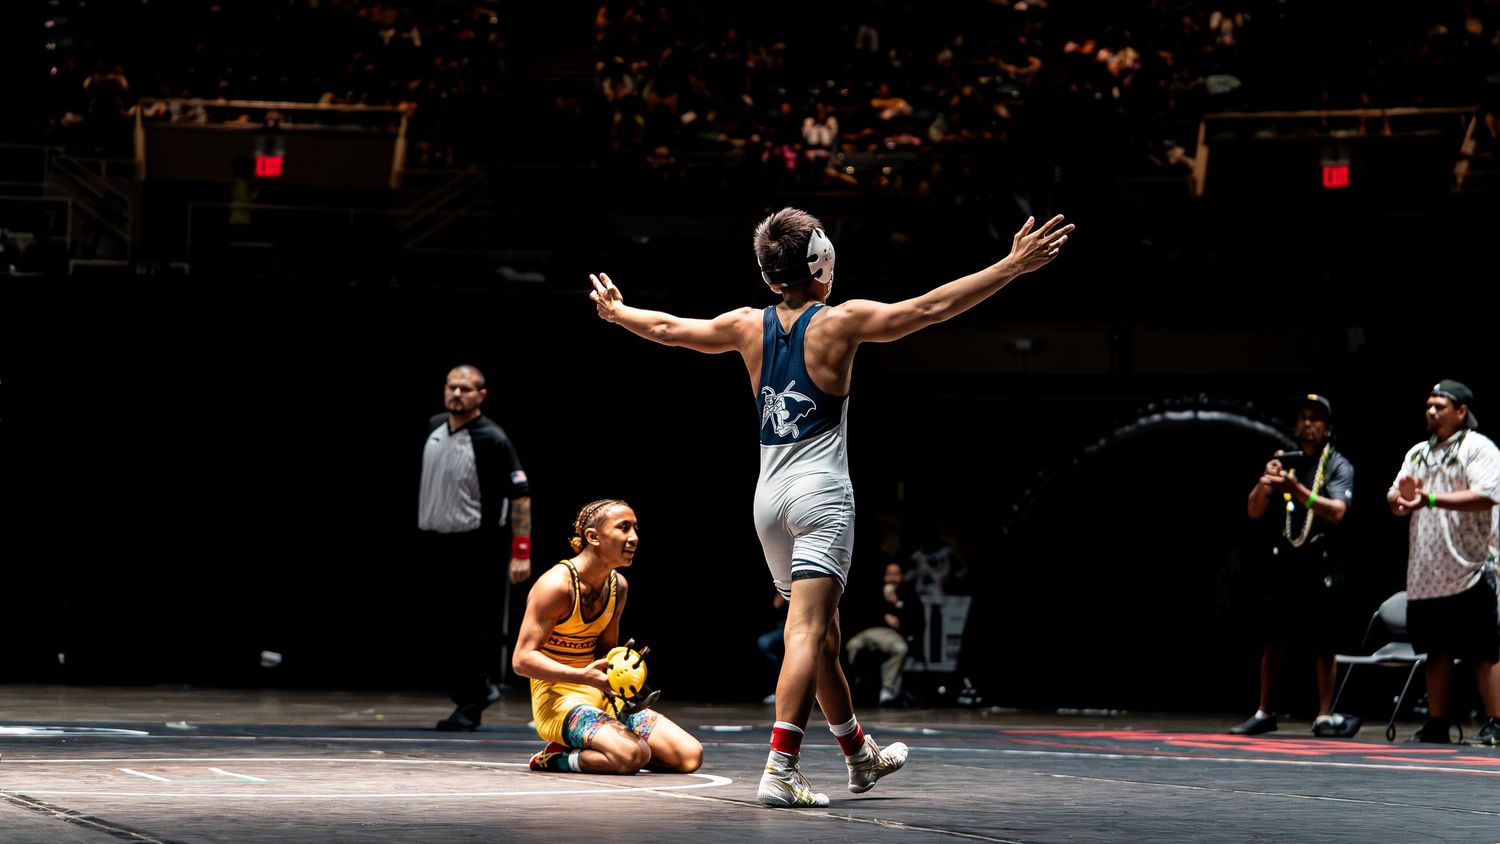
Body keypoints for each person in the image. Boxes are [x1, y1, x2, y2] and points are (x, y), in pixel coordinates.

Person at [588, 207, 1073, 806]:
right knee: (805, 632)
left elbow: (666, 328)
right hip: (820, 497)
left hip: (768, 502)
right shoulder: (842, 321)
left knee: (823, 641)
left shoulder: (745, 325)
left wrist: (619, 312)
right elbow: (930, 308)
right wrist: (1012, 265)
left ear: (769, 275)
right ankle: (781, 769)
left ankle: (858, 756)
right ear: (822, 262)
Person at [513, 499, 704, 774]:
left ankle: (612, 747)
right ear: (593, 536)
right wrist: (583, 676)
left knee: (689, 756)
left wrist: (624, 673)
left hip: (601, 695)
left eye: (635, 528)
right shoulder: (556, 586)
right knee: (633, 755)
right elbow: (522, 660)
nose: (633, 537)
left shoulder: (618, 586)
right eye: (623, 528)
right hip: (559, 701)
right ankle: (554, 757)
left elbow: (605, 652)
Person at [1235, 394, 1359, 738]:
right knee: (1273, 640)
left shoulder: (1337, 465)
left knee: (1323, 642)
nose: (1307, 424)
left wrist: (1297, 489)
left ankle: (1323, 714)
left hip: (1321, 562)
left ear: (1328, 428)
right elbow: (1254, 511)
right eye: (1303, 417)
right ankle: (1264, 711)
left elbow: (1337, 512)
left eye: (1315, 419)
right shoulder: (1284, 462)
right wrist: (1265, 481)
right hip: (1285, 562)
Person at [418, 364, 534, 732]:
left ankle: (475, 697)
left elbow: (520, 496)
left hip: (474, 545)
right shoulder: (434, 426)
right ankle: (473, 692)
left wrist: (520, 552)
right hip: (435, 540)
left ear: (481, 395)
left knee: (468, 629)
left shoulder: (492, 438)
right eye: (451, 387)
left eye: (465, 389)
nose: (456, 394)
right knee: (442, 627)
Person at [1387, 379, 1500, 744]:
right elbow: (1396, 496)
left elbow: (1486, 495)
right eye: (1429, 406)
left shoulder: (1479, 448)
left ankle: (1497, 722)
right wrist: (1400, 501)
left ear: (1461, 412)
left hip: (1469, 567)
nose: (1431, 412)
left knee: (1484, 651)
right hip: (1427, 572)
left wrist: (1430, 499)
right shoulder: (1418, 452)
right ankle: (1437, 723)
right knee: (1436, 651)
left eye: (1440, 406)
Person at [845, 561, 924, 706]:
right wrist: (883, 615)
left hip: (892, 635)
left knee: (900, 649)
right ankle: (851, 687)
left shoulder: (908, 594)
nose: (892, 578)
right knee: (852, 645)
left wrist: (896, 603)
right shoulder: (874, 591)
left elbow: (914, 621)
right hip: (870, 633)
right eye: (889, 574)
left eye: (896, 574)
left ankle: (887, 690)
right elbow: (863, 614)